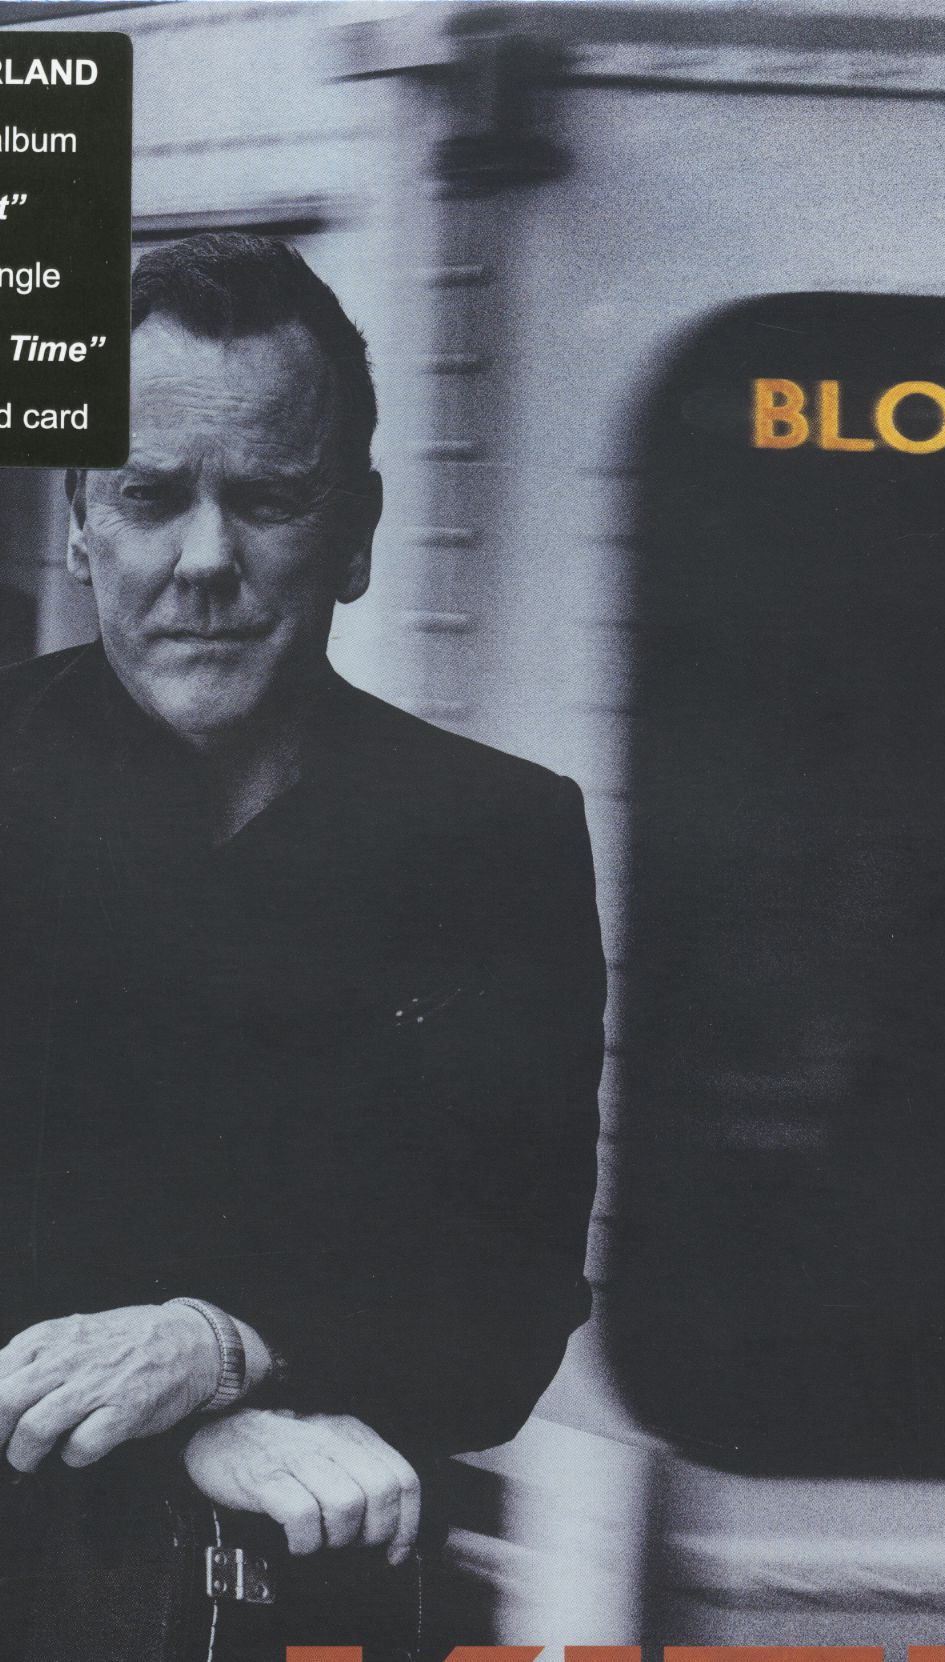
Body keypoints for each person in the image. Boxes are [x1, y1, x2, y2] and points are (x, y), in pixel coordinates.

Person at [0, 234, 605, 1639]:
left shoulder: (497, 838)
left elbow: (511, 1305)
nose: (206, 560)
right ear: (81, 519)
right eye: (151, 495)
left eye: (270, 498)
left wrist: (225, 1350)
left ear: (360, 533)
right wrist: (189, 1423)